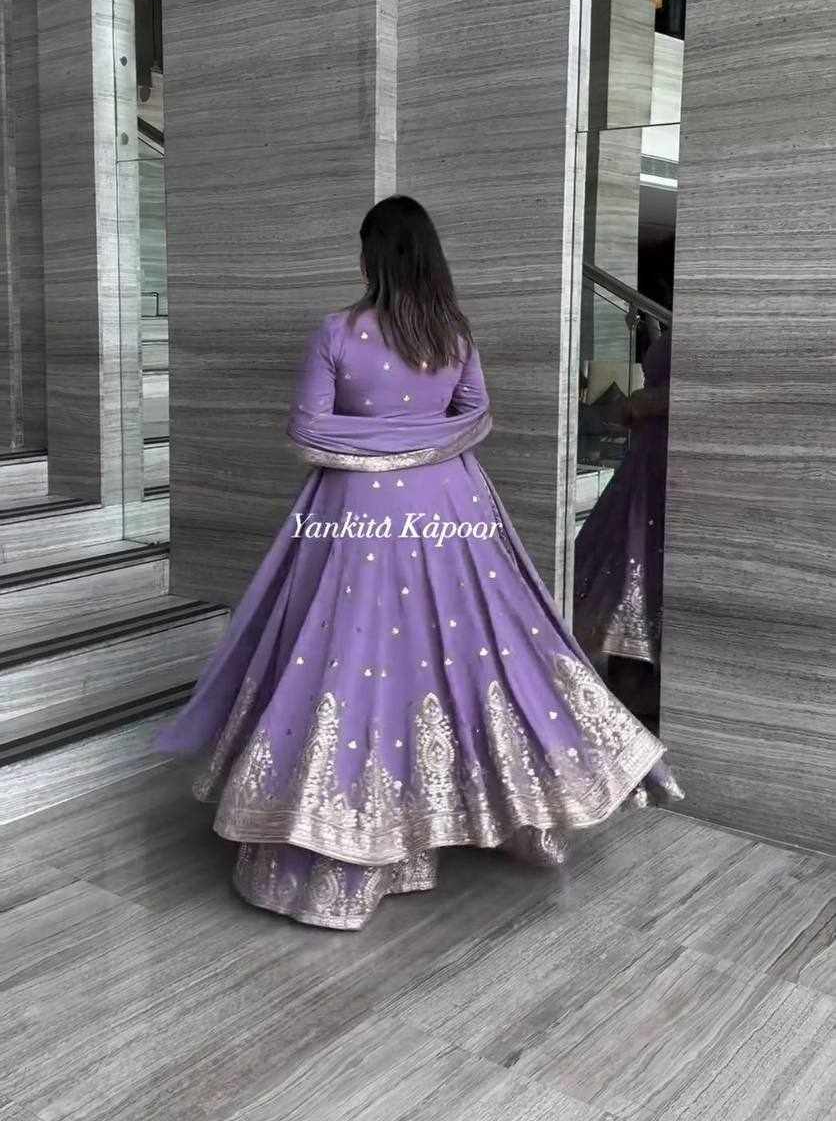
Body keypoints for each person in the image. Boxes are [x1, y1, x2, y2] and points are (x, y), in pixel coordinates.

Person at [155, 195, 681, 930]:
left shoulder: (338, 331)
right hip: (451, 504)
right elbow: (474, 418)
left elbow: (308, 430)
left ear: (369, 257)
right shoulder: (452, 333)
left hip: (354, 509)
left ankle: (350, 839)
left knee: (353, 655)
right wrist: (423, 439)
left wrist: (381, 442)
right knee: (467, 648)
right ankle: (470, 809)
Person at [573, 321, 673, 732]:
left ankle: (647, 687)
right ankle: (627, 682)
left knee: (648, 563)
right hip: (646, 460)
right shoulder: (675, 324)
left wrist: (651, 401)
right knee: (625, 565)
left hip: (671, 462)